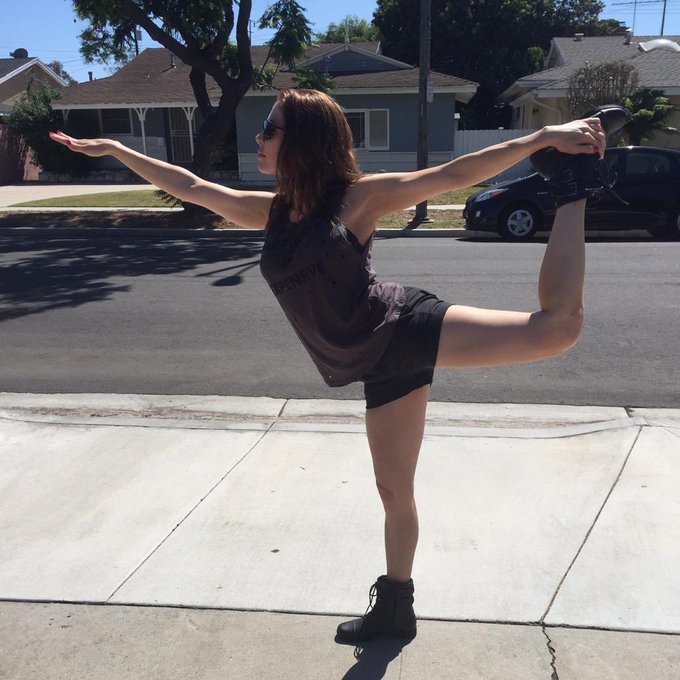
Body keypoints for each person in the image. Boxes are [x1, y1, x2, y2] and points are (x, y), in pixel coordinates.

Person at [49, 90, 627, 644]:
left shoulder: (356, 200)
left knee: (557, 329)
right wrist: (116, 151)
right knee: (393, 489)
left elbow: (454, 174)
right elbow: (192, 185)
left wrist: (541, 137)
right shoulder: (271, 213)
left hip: (400, 327)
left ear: (300, 140)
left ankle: (572, 188)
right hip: (369, 361)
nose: (258, 138)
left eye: (269, 129)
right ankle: (396, 609)